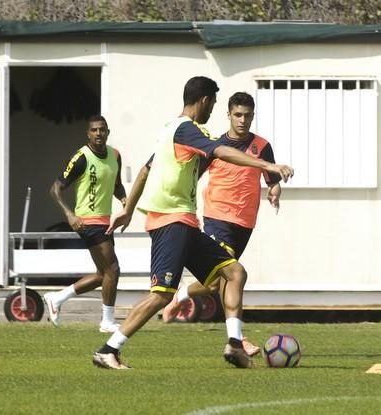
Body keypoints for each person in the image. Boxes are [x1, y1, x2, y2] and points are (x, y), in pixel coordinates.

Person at [92, 76, 293, 369]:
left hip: (185, 223)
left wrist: (128, 209)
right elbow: (221, 151)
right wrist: (267, 165)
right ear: (205, 101)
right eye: (212, 104)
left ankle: (235, 344)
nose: (211, 111)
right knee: (161, 296)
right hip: (170, 222)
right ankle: (108, 349)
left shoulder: (168, 131)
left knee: (234, 272)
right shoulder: (187, 130)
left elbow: (147, 170)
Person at [162, 91, 282, 357]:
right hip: (218, 218)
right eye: (237, 115)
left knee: (220, 282)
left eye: (247, 115)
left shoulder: (262, 146)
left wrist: (274, 189)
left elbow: (271, 175)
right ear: (228, 115)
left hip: (245, 222)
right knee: (231, 275)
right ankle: (238, 340)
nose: (242, 120)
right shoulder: (214, 146)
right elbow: (191, 174)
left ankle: (182, 296)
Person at [45, 115, 127, 333]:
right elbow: (55, 189)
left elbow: (116, 184)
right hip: (88, 221)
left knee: (104, 274)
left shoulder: (115, 155)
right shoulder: (81, 157)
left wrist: (124, 199)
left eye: (102, 130)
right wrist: (70, 215)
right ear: (88, 134)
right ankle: (107, 321)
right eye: (94, 130)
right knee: (113, 269)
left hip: (105, 219)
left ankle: (57, 298)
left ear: (108, 132)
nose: (98, 134)